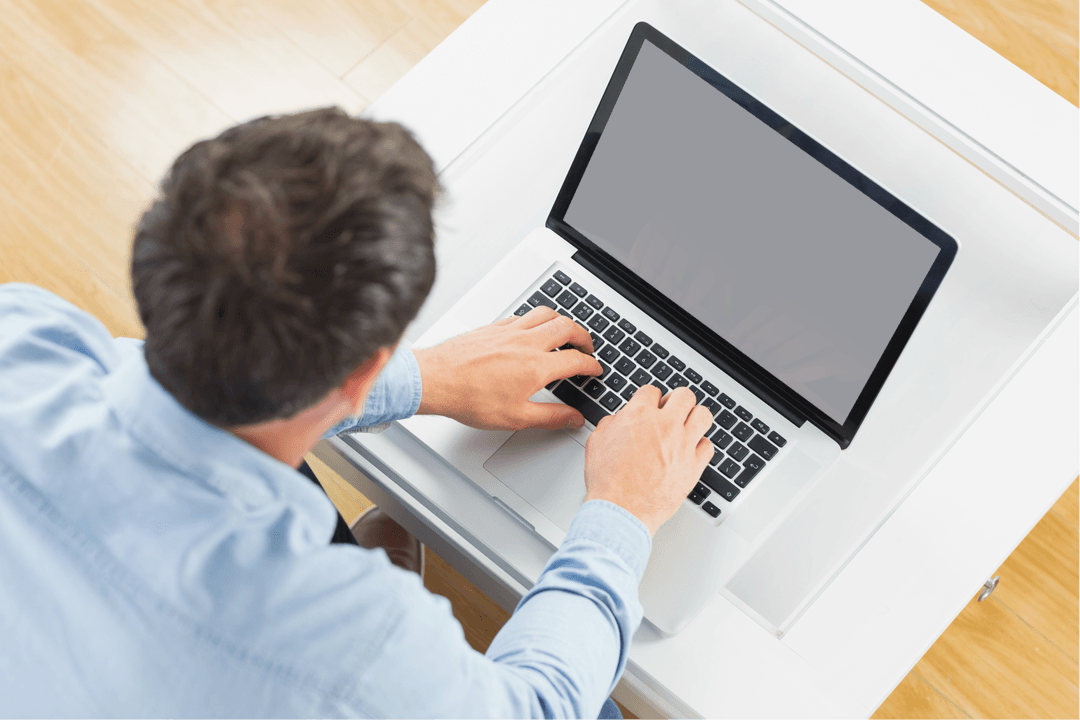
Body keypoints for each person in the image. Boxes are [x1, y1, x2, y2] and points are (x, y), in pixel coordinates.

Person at [0, 108, 713, 719]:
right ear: (364, 368)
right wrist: (623, 511)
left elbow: (158, 375)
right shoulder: (355, 647)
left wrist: (425, 378)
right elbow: (542, 703)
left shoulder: (21, 336)